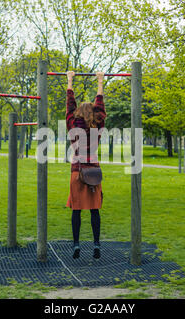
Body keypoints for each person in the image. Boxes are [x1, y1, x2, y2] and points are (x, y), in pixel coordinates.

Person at [65, 71, 106, 259]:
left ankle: (76, 244)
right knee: (94, 209)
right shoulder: (97, 125)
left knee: (77, 210)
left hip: (77, 171)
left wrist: (70, 80)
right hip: (93, 172)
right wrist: (100, 81)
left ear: (77, 114)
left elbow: (69, 106)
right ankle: (96, 243)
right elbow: (100, 106)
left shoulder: (73, 124)